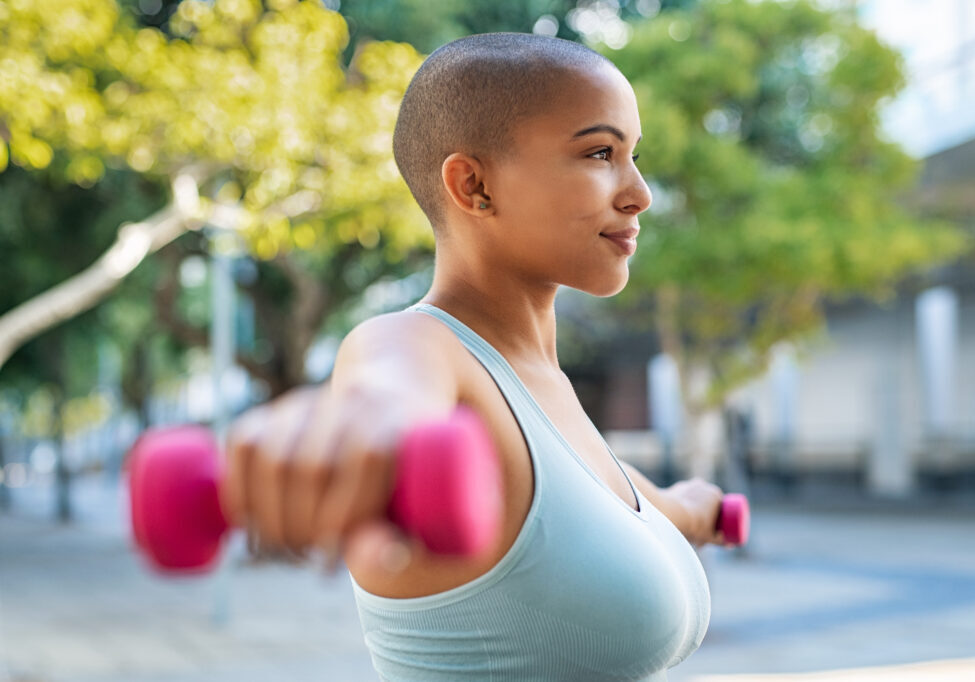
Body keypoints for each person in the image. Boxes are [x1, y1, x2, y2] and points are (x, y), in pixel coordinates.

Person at [220, 32, 727, 681]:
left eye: (632, 155)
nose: (639, 193)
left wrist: (695, 511)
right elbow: (387, 396)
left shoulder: (538, 384)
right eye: (599, 152)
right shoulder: (414, 346)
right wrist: (345, 433)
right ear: (474, 184)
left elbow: (623, 501)